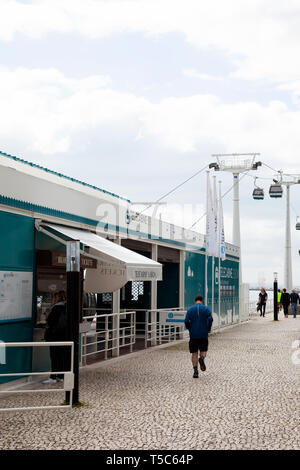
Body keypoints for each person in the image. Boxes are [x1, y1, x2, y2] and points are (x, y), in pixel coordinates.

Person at [184, 295, 213, 379]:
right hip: (203, 334)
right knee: (203, 350)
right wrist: (208, 328)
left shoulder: (190, 309)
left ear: (195, 300)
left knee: (194, 353)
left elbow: (186, 321)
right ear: (202, 301)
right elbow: (210, 319)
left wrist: (189, 328)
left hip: (193, 334)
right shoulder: (206, 309)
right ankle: (202, 358)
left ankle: (195, 372)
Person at [43, 291, 68, 384]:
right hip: (64, 336)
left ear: (57, 298)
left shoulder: (56, 307)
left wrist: (46, 316)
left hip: (55, 336)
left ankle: (53, 377)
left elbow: (50, 322)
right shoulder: (66, 307)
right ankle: (61, 376)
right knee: (61, 356)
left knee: (54, 356)